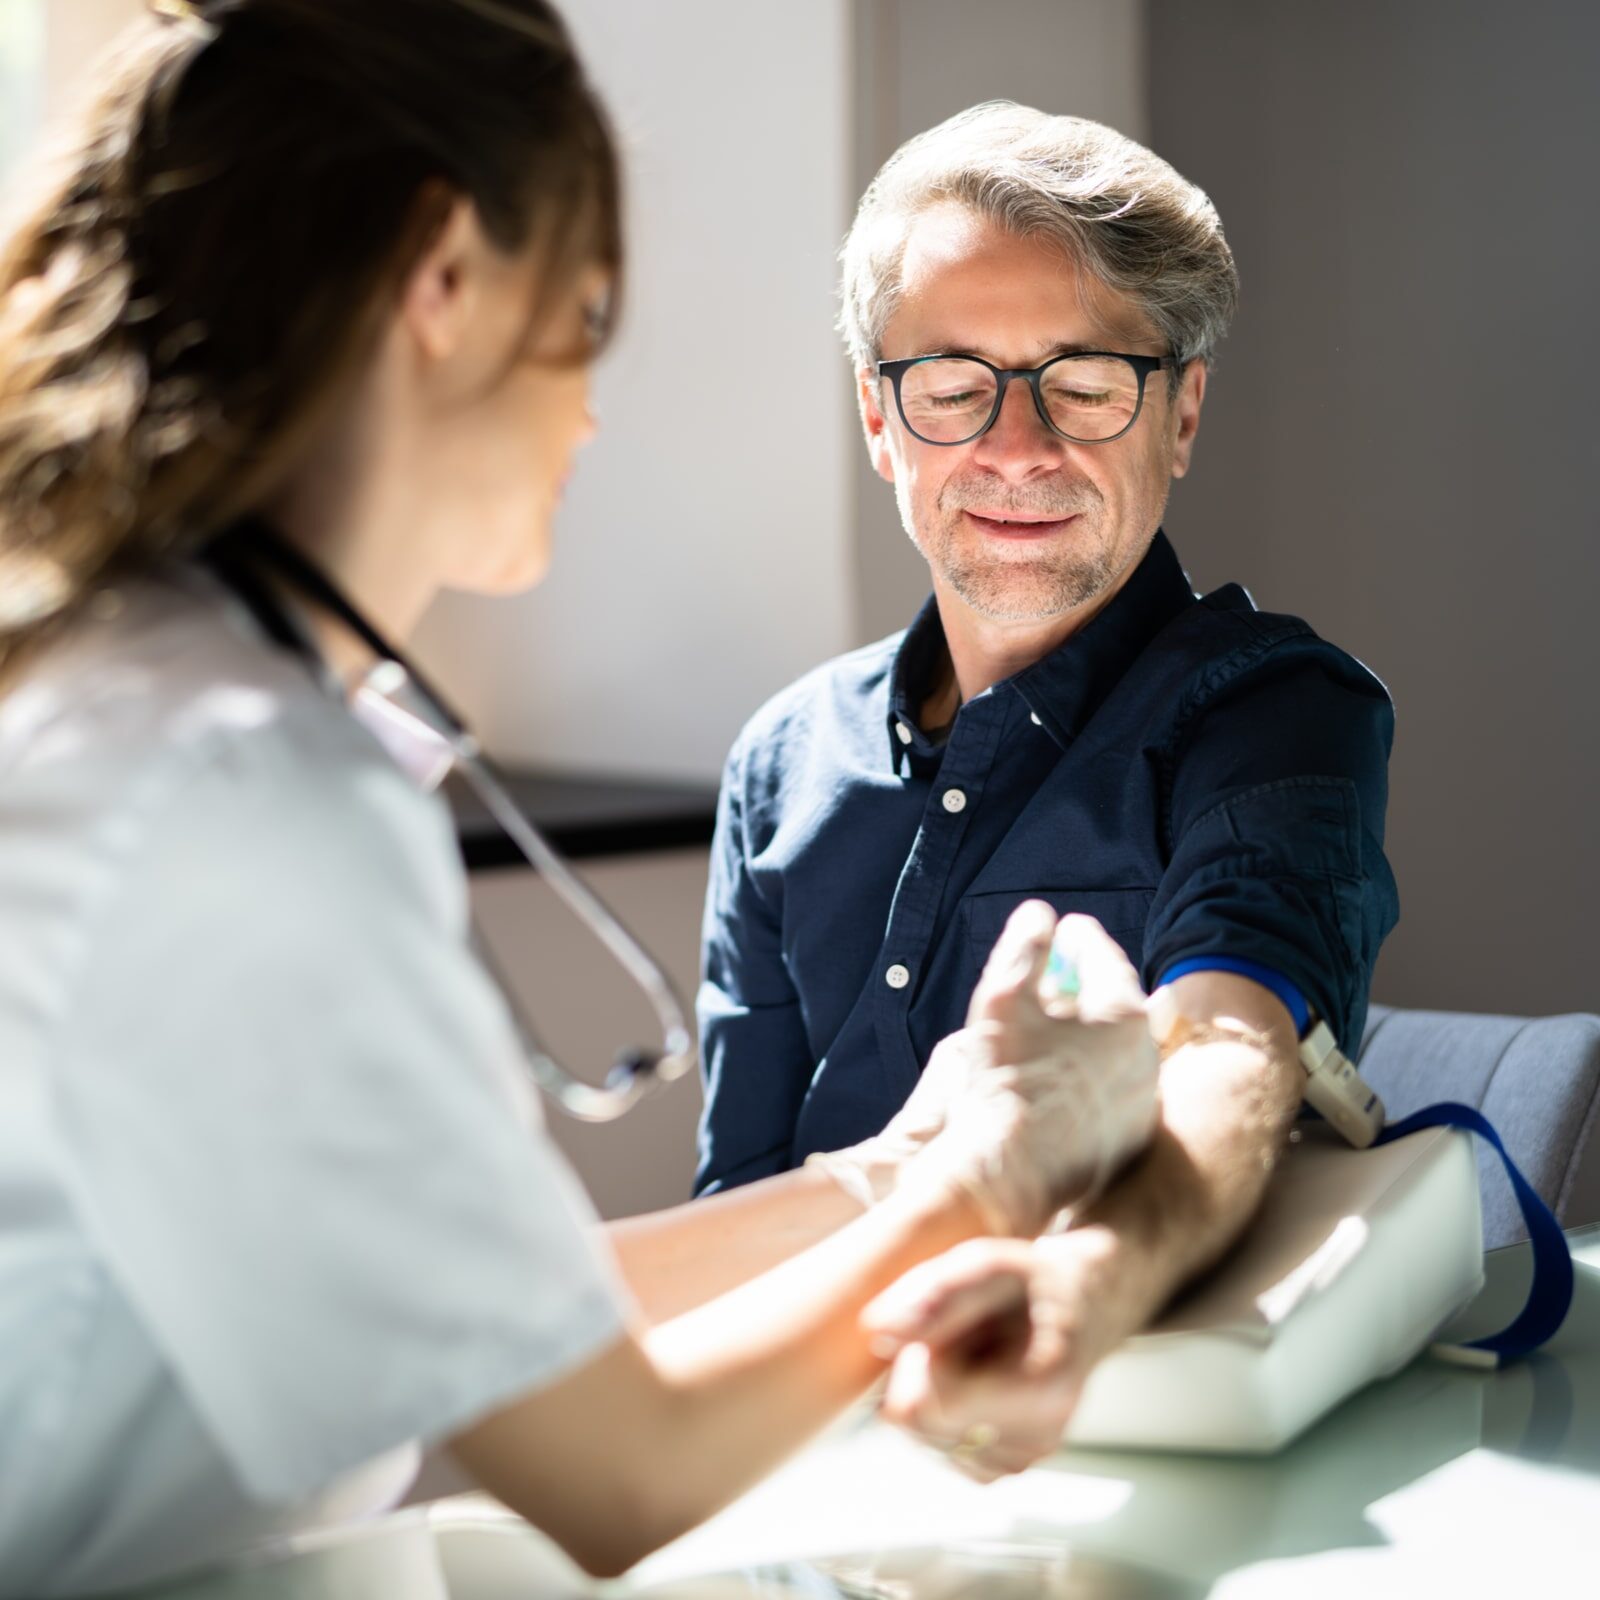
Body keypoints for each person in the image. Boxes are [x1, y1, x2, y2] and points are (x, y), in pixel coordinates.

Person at [0, 10, 1162, 1595]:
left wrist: (903, 1165)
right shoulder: (240, 792)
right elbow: (616, 1468)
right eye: (588, 310)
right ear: (445, 273)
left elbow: (511, 1331)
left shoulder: (131, 699)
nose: (593, 413)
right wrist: (1007, 1163)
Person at [695, 103, 1400, 1458]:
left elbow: (1231, 1056)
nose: (1018, 451)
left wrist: (1078, 1286)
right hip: (810, 1452)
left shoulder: (1270, 713)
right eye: (954, 386)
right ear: (878, 419)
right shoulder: (783, 759)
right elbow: (743, 1198)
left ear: (1182, 411)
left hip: (1129, 1424)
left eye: (1084, 384)